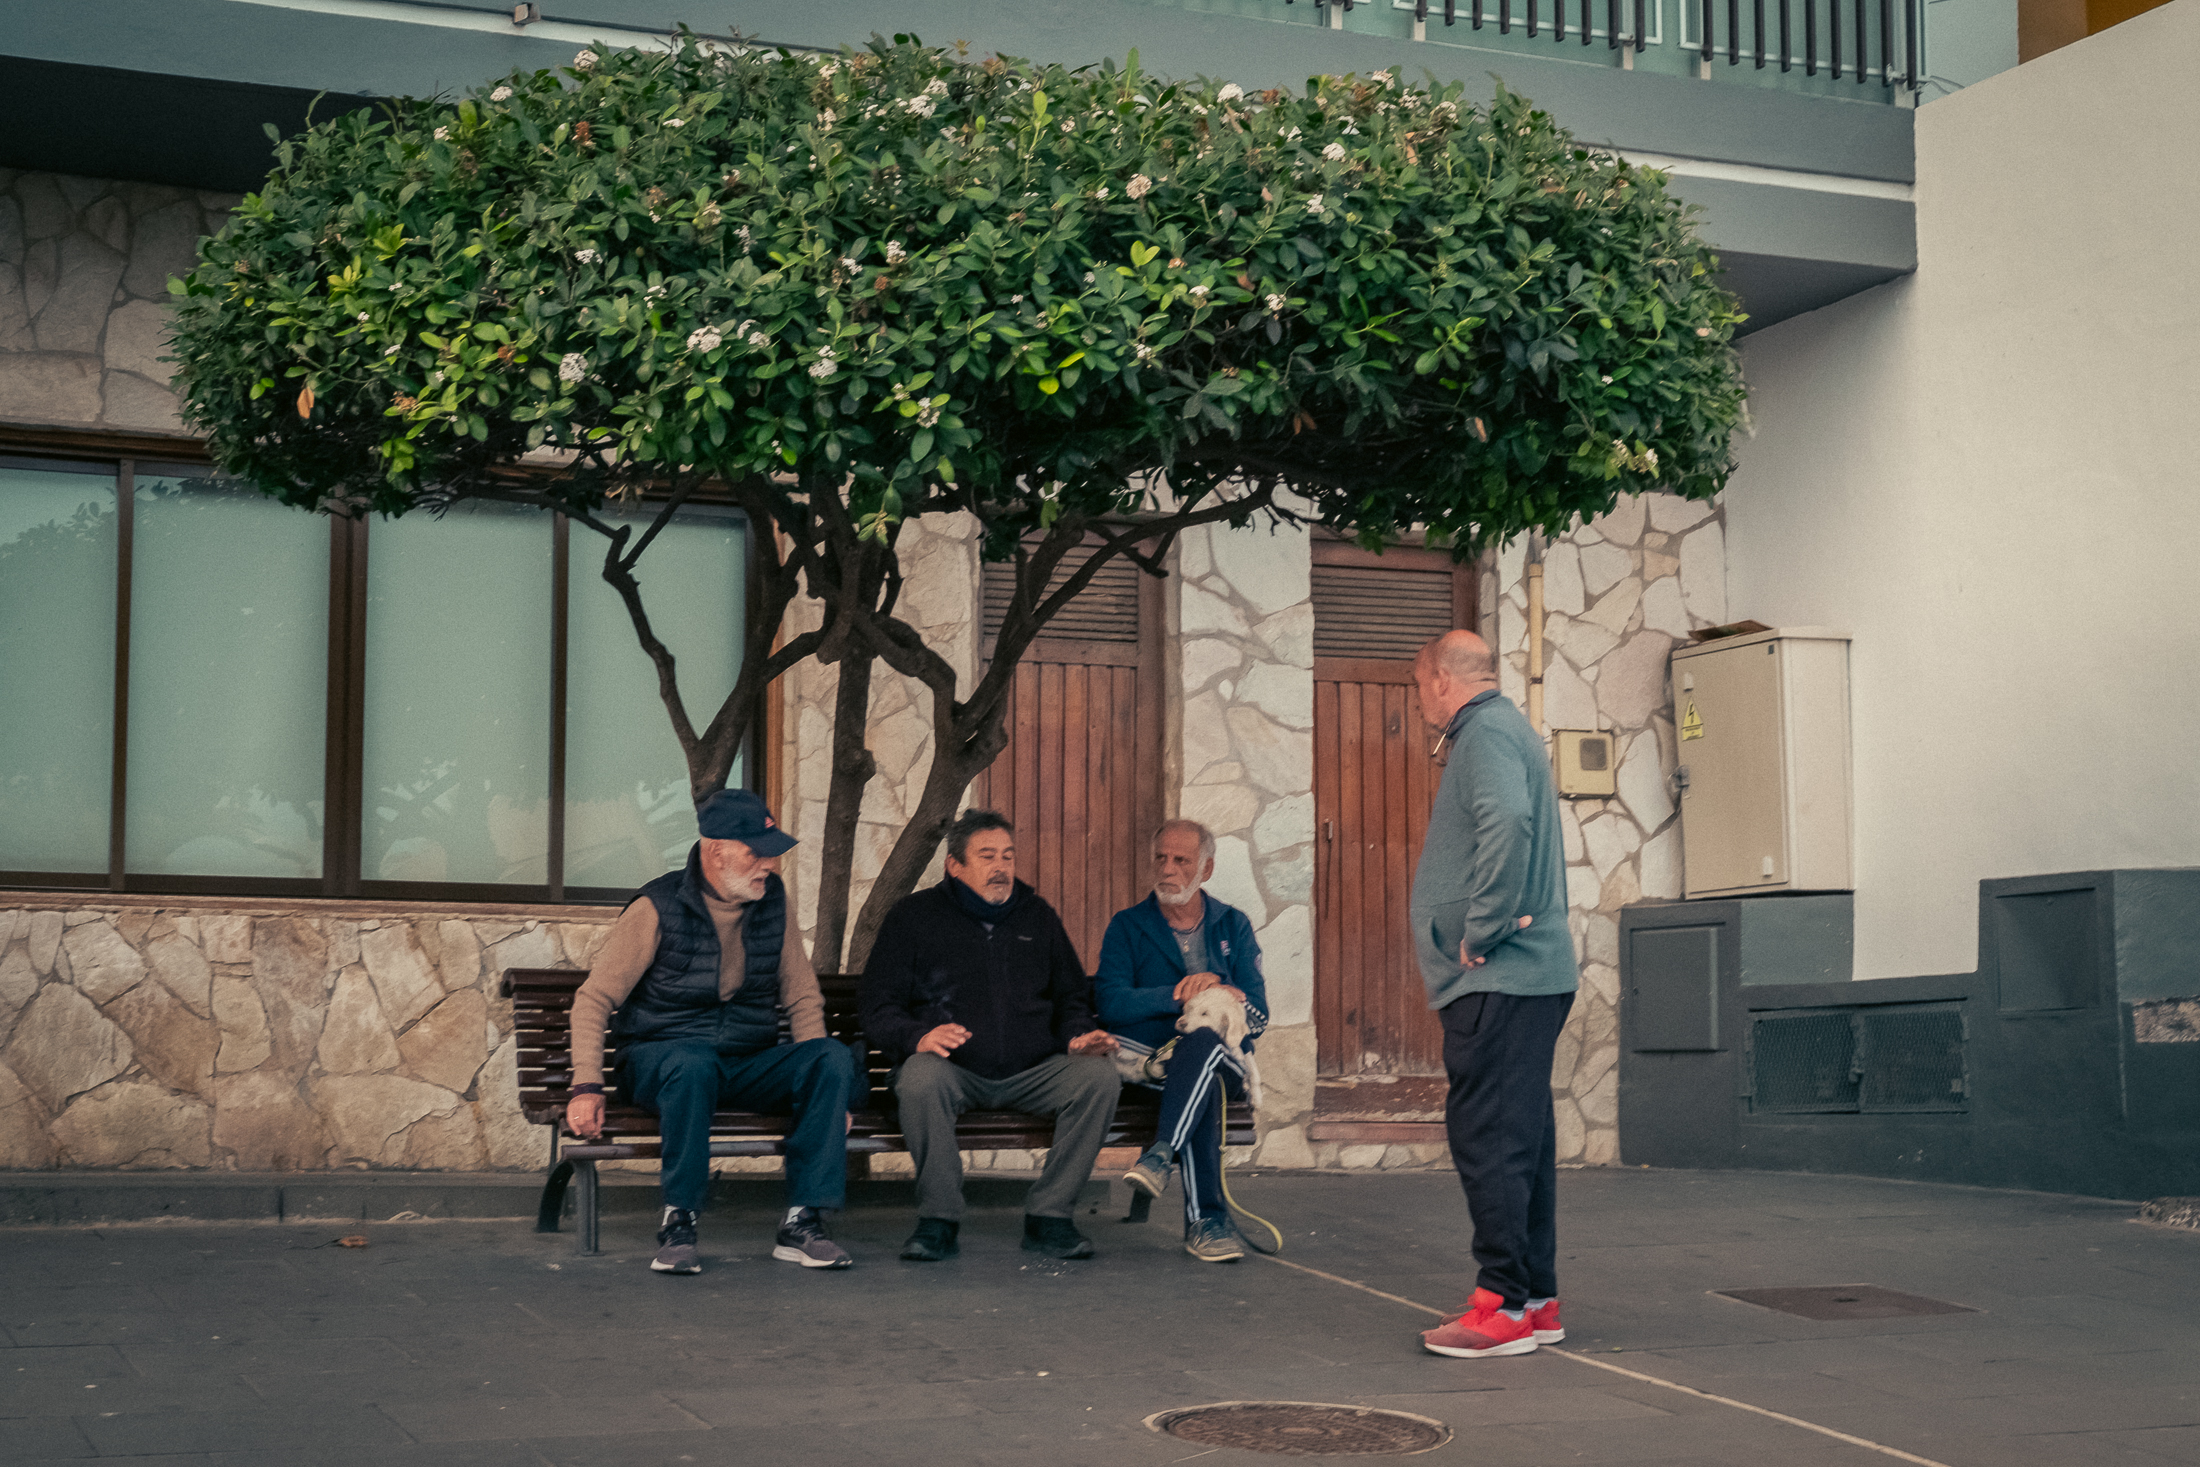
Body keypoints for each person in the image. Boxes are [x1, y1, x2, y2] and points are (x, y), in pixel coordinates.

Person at [564, 788, 858, 1277]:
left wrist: (830, 1096)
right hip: (661, 1061)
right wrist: (586, 1086)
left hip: (744, 1059)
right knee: (693, 1063)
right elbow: (594, 999)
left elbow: (802, 996)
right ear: (715, 849)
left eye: (772, 853)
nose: (769, 863)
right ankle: (679, 1220)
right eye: (756, 852)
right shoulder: (657, 907)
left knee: (830, 1059)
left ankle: (803, 1223)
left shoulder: (772, 903)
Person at [1408, 629, 1579, 1359]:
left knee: (1491, 1143)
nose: (1419, 701)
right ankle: (1534, 1299)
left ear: (1443, 680)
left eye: (1419, 685)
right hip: (1526, 978)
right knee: (1523, 1142)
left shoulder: (1482, 735)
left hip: (1499, 977)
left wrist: (1481, 931)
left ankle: (1502, 1306)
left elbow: (1507, 822)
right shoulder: (1508, 729)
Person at [860, 809, 1122, 1262]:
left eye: (1008, 855)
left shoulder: (1037, 916)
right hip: (954, 1069)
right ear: (954, 865)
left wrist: (1079, 1035)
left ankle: (1050, 1216)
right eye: (987, 856)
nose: (1001, 866)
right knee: (920, 1079)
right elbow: (878, 1006)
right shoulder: (913, 917)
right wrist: (917, 1036)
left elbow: (1071, 995)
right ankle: (939, 1220)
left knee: (1098, 1079)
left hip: (1033, 1069)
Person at [1095, 819, 1268, 1262]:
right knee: (1199, 1076)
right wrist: (1179, 994)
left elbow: (1259, 1016)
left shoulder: (1234, 925)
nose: (1167, 869)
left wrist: (1228, 996)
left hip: (1224, 1060)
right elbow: (1112, 1004)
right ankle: (1205, 1223)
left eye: (1181, 860)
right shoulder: (1128, 926)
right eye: (1161, 858)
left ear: (1205, 870)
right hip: (1152, 1064)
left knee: (1205, 1047)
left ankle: (1160, 1153)